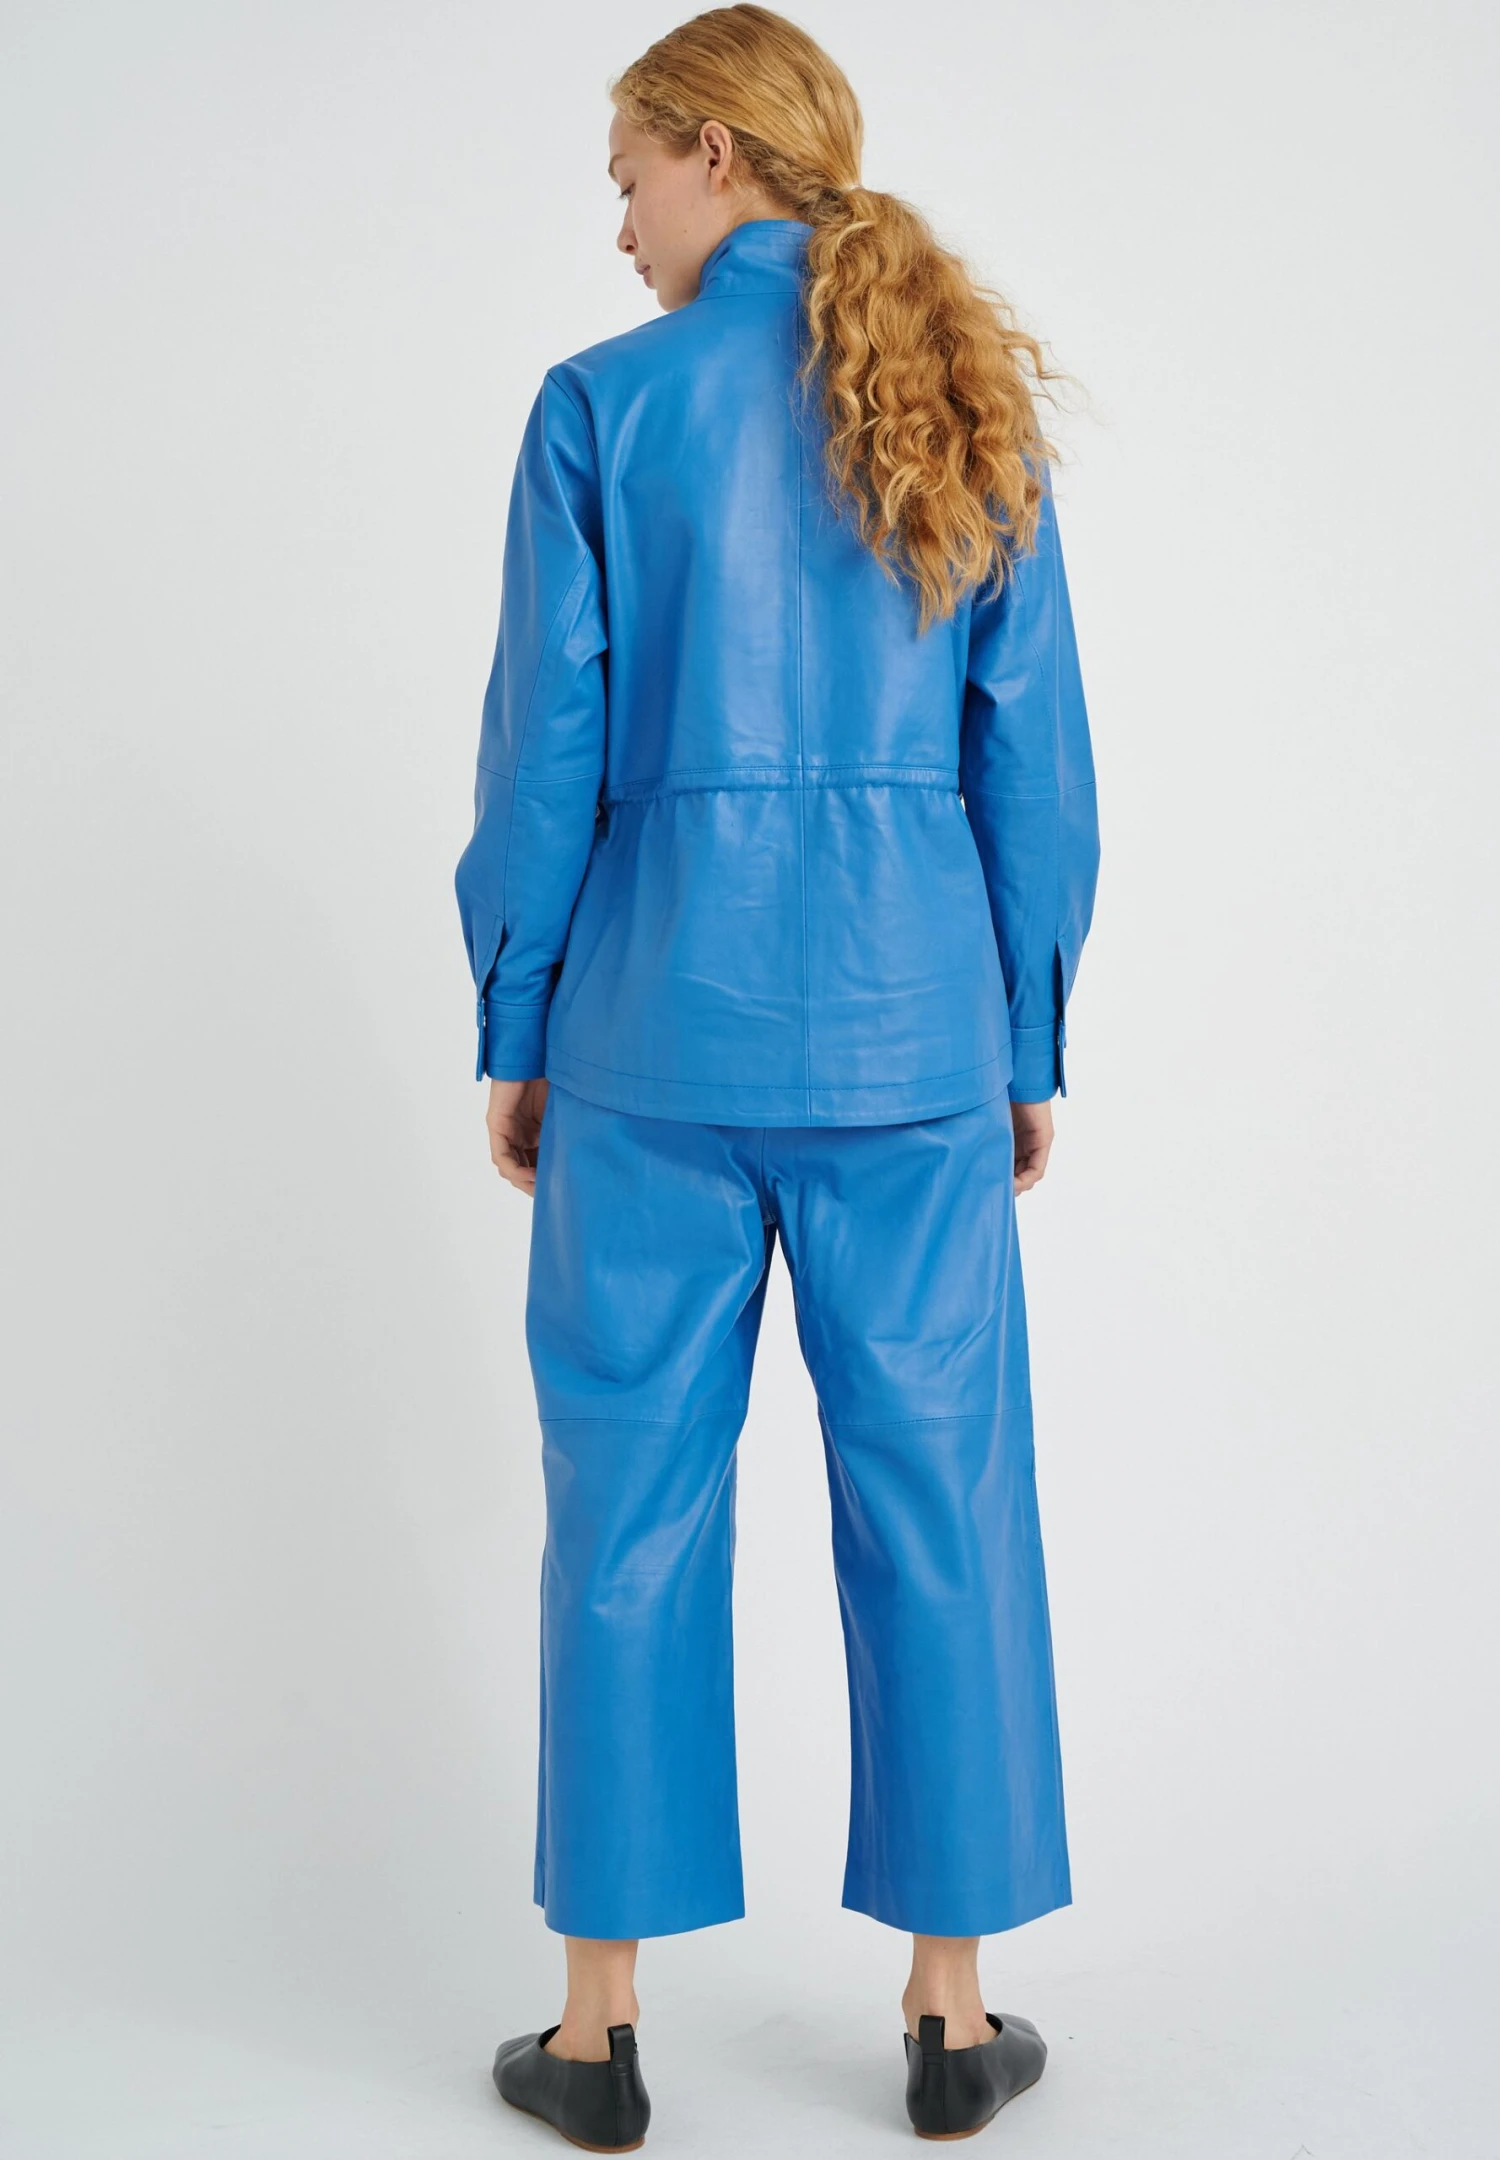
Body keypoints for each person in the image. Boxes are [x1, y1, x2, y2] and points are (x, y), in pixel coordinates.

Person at [455, 5, 1101, 2144]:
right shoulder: (965, 396)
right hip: (916, 1045)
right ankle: (949, 2015)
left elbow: (544, 753)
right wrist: (1021, 1032)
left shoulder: (601, 408)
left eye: (629, 173)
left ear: (715, 152)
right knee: (946, 1504)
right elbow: (1037, 763)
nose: (619, 221)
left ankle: (595, 2037)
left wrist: (519, 1019)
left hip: (650, 1038)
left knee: (626, 1515)